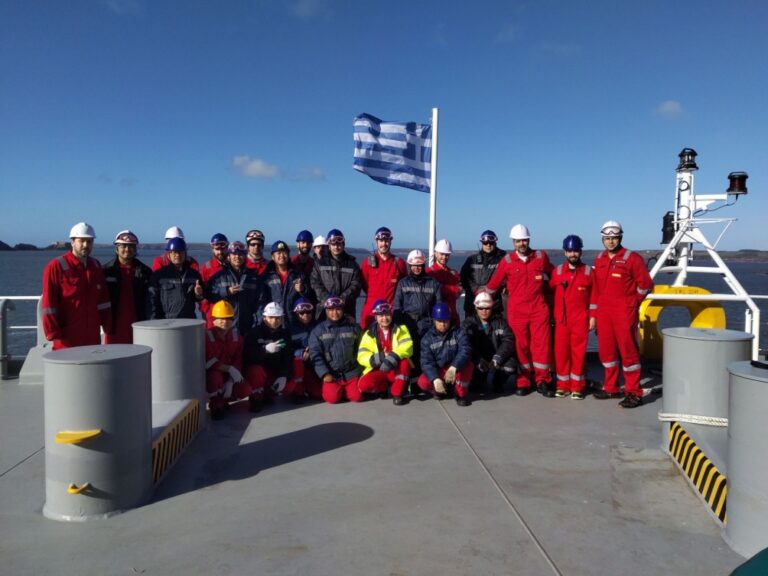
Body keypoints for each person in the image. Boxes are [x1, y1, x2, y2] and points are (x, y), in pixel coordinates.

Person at [485, 224, 555, 396]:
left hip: (539, 310)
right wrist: (481, 300)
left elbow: (554, 275)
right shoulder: (507, 261)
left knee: (541, 346)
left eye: (524, 240)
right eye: (518, 241)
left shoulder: (540, 257)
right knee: (520, 346)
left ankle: (542, 380)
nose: (521, 243)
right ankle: (524, 380)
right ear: (513, 242)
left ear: (529, 240)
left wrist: (557, 287)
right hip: (517, 312)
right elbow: (493, 285)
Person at [592, 220, 654, 408]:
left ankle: (634, 392)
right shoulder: (599, 259)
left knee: (628, 353)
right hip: (604, 314)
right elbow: (596, 288)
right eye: (607, 238)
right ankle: (611, 387)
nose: (610, 241)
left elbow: (645, 285)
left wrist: (633, 302)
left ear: (620, 238)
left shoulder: (632, 258)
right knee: (607, 351)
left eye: (614, 238)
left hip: (624, 313)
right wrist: (595, 313)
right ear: (602, 239)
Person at [41, 222, 112, 350]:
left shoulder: (95, 266)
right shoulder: (56, 266)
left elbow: (103, 300)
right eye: (81, 241)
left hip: (92, 335)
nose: (86, 245)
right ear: (72, 242)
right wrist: (52, 332)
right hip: (67, 338)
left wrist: (107, 324)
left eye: (89, 241)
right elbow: (49, 304)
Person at [549, 235, 595, 400]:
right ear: (565, 252)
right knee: (561, 353)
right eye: (569, 251)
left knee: (578, 354)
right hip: (562, 321)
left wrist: (593, 317)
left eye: (575, 251)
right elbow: (549, 291)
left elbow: (594, 297)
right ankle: (562, 386)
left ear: (580, 251)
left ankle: (577, 387)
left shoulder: (589, 272)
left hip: (580, 320)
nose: (573, 254)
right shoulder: (557, 272)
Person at [244, 302, 303, 411]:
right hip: (260, 373)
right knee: (255, 370)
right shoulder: (254, 333)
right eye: (271, 317)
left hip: (276, 373)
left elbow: (287, 356)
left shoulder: (284, 334)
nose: (274, 321)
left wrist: (283, 375)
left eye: (278, 318)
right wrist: (264, 350)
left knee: (297, 362)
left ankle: (293, 393)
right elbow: (248, 357)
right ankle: (256, 399)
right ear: (264, 317)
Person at [357, 300, 414, 405]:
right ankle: (384, 389)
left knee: (405, 363)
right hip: (380, 368)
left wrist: (392, 357)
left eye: (387, 314)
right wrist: (380, 357)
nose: (384, 318)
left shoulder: (401, 329)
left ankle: (397, 394)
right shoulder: (369, 333)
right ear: (375, 317)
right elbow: (362, 355)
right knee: (364, 385)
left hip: (395, 367)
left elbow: (407, 346)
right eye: (381, 315)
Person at [308, 295, 363, 404]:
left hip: (351, 372)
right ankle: (337, 390)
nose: (335, 313)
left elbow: (362, 349)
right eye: (331, 310)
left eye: (338, 309)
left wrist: (361, 371)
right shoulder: (318, 331)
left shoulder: (354, 328)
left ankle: (347, 390)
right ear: (326, 311)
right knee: (332, 399)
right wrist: (324, 373)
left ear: (343, 310)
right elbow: (315, 354)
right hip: (332, 374)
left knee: (357, 397)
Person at [393, 249, 442, 371]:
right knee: (411, 354)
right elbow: (397, 306)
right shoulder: (402, 284)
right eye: (414, 265)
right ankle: (412, 378)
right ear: (409, 265)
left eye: (419, 265)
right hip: (408, 324)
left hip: (428, 324)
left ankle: (427, 377)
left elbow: (438, 306)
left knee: (427, 354)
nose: (417, 268)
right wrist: (399, 325)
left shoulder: (434, 283)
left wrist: (436, 325)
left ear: (423, 265)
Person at [417, 303, 473, 406]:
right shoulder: (427, 339)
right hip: (440, 370)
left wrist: (454, 367)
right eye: (439, 321)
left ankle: (460, 394)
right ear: (434, 321)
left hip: (455, 369)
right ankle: (439, 391)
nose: (443, 324)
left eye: (445, 321)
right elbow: (426, 362)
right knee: (423, 382)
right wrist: (435, 379)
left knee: (468, 366)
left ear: (450, 320)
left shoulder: (459, 332)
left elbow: (465, 349)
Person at [206, 241, 266, 335]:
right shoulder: (219, 276)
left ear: (245, 256)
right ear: (229, 256)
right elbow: (210, 295)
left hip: (248, 327)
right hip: (226, 328)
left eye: (240, 254)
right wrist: (226, 291)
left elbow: (260, 302)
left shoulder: (253, 277)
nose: (237, 257)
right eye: (234, 254)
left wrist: (257, 322)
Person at [462, 292, 517, 394]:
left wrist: (498, 358)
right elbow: (465, 344)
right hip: (479, 359)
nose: (484, 311)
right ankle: (478, 380)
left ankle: (497, 382)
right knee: (476, 382)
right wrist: (478, 360)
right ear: (476, 308)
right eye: (481, 308)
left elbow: (509, 340)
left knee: (511, 365)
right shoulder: (468, 324)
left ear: (492, 307)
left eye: (487, 308)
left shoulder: (501, 322)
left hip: (496, 357)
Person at [102, 230, 152, 344]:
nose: (127, 249)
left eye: (131, 246)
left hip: (139, 326)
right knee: (114, 354)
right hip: (114, 328)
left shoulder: (145, 272)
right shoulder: (106, 271)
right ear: (117, 248)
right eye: (123, 246)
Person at [205, 300, 250, 420]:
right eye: (221, 319)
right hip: (213, 374)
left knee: (245, 389)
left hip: (228, 375)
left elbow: (238, 360)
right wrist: (229, 369)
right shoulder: (206, 336)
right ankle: (216, 406)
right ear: (213, 320)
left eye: (228, 318)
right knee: (215, 378)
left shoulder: (237, 337)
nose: (225, 322)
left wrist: (230, 380)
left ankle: (225, 400)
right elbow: (208, 361)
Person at [360, 226, 407, 330]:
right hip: (371, 312)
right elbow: (363, 284)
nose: (384, 244)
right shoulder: (367, 263)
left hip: (390, 313)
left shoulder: (399, 263)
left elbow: (403, 287)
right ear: (376, 241)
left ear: (390, 242)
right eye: (381, 241)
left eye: (386, 241)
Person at [310, 229, 362, 321]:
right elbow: (315, 283)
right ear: (329, 246)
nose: (336, 247)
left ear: (343, 245)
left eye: (339, 244)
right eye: (333, 244)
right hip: (324, 312)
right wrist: (328, 300)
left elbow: (356, 285)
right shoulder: (320, 263)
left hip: (347, 311)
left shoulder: (352, 264)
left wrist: (342, 299)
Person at [148, 237, 204, 319]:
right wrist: (154, 322)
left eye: (180, 252)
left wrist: (198, 295)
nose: (177, 255)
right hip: (167, 321)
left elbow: (200, 298)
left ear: (185, 253)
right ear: (169, 255)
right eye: (174, 252)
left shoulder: (194, 275)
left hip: (189, 321)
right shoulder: (159, 276)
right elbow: (152, 301)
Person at [264, 240, 312, 328]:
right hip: (274, 322)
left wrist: (302, 290)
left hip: (293, 322)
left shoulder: (298, 273)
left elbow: (309, 296)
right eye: (278, 253)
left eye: (284, 253)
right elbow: (262, 300)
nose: (282, 256)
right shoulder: (266, 275)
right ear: (273, 257)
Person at [460, 230, 506, 317]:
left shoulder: (503, 260)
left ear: (495, 242)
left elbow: (506, 277)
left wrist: (490, 291)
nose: (488, 245)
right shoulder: (472, 260)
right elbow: (463, 277)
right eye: (485, 242)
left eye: (491, 242)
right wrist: (476, 290)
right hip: (473, 305)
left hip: (494, 305)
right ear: (482, 243)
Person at [289, 298, 323, 401]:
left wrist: (314, 349)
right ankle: (297, 391)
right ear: (296, 313)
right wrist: (300, 352)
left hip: (316, 362)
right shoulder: (290, 329)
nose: (305, 315)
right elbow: (287, 349)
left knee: (319, 394)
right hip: (301, 363)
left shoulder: (320, 326)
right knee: (297, 363)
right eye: (301, 313)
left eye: (308, 312)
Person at [427, 239, 462, 325]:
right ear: (435, 253)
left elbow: (459, 291)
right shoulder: (428, 273)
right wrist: (452, 289)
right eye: (442, 254)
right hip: (436, 318)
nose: (444, 257)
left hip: (452, 316)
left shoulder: (454, 274)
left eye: (447, 255)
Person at [199, 233, 230, 327]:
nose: (220, 252)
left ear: (227, 248)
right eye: (217, 249)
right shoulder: (206, 268)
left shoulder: (233, 266)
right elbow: (202, 295)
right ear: (212, 249)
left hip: (230, 314)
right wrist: (206, 311)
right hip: (212, 314)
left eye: (222, 249)